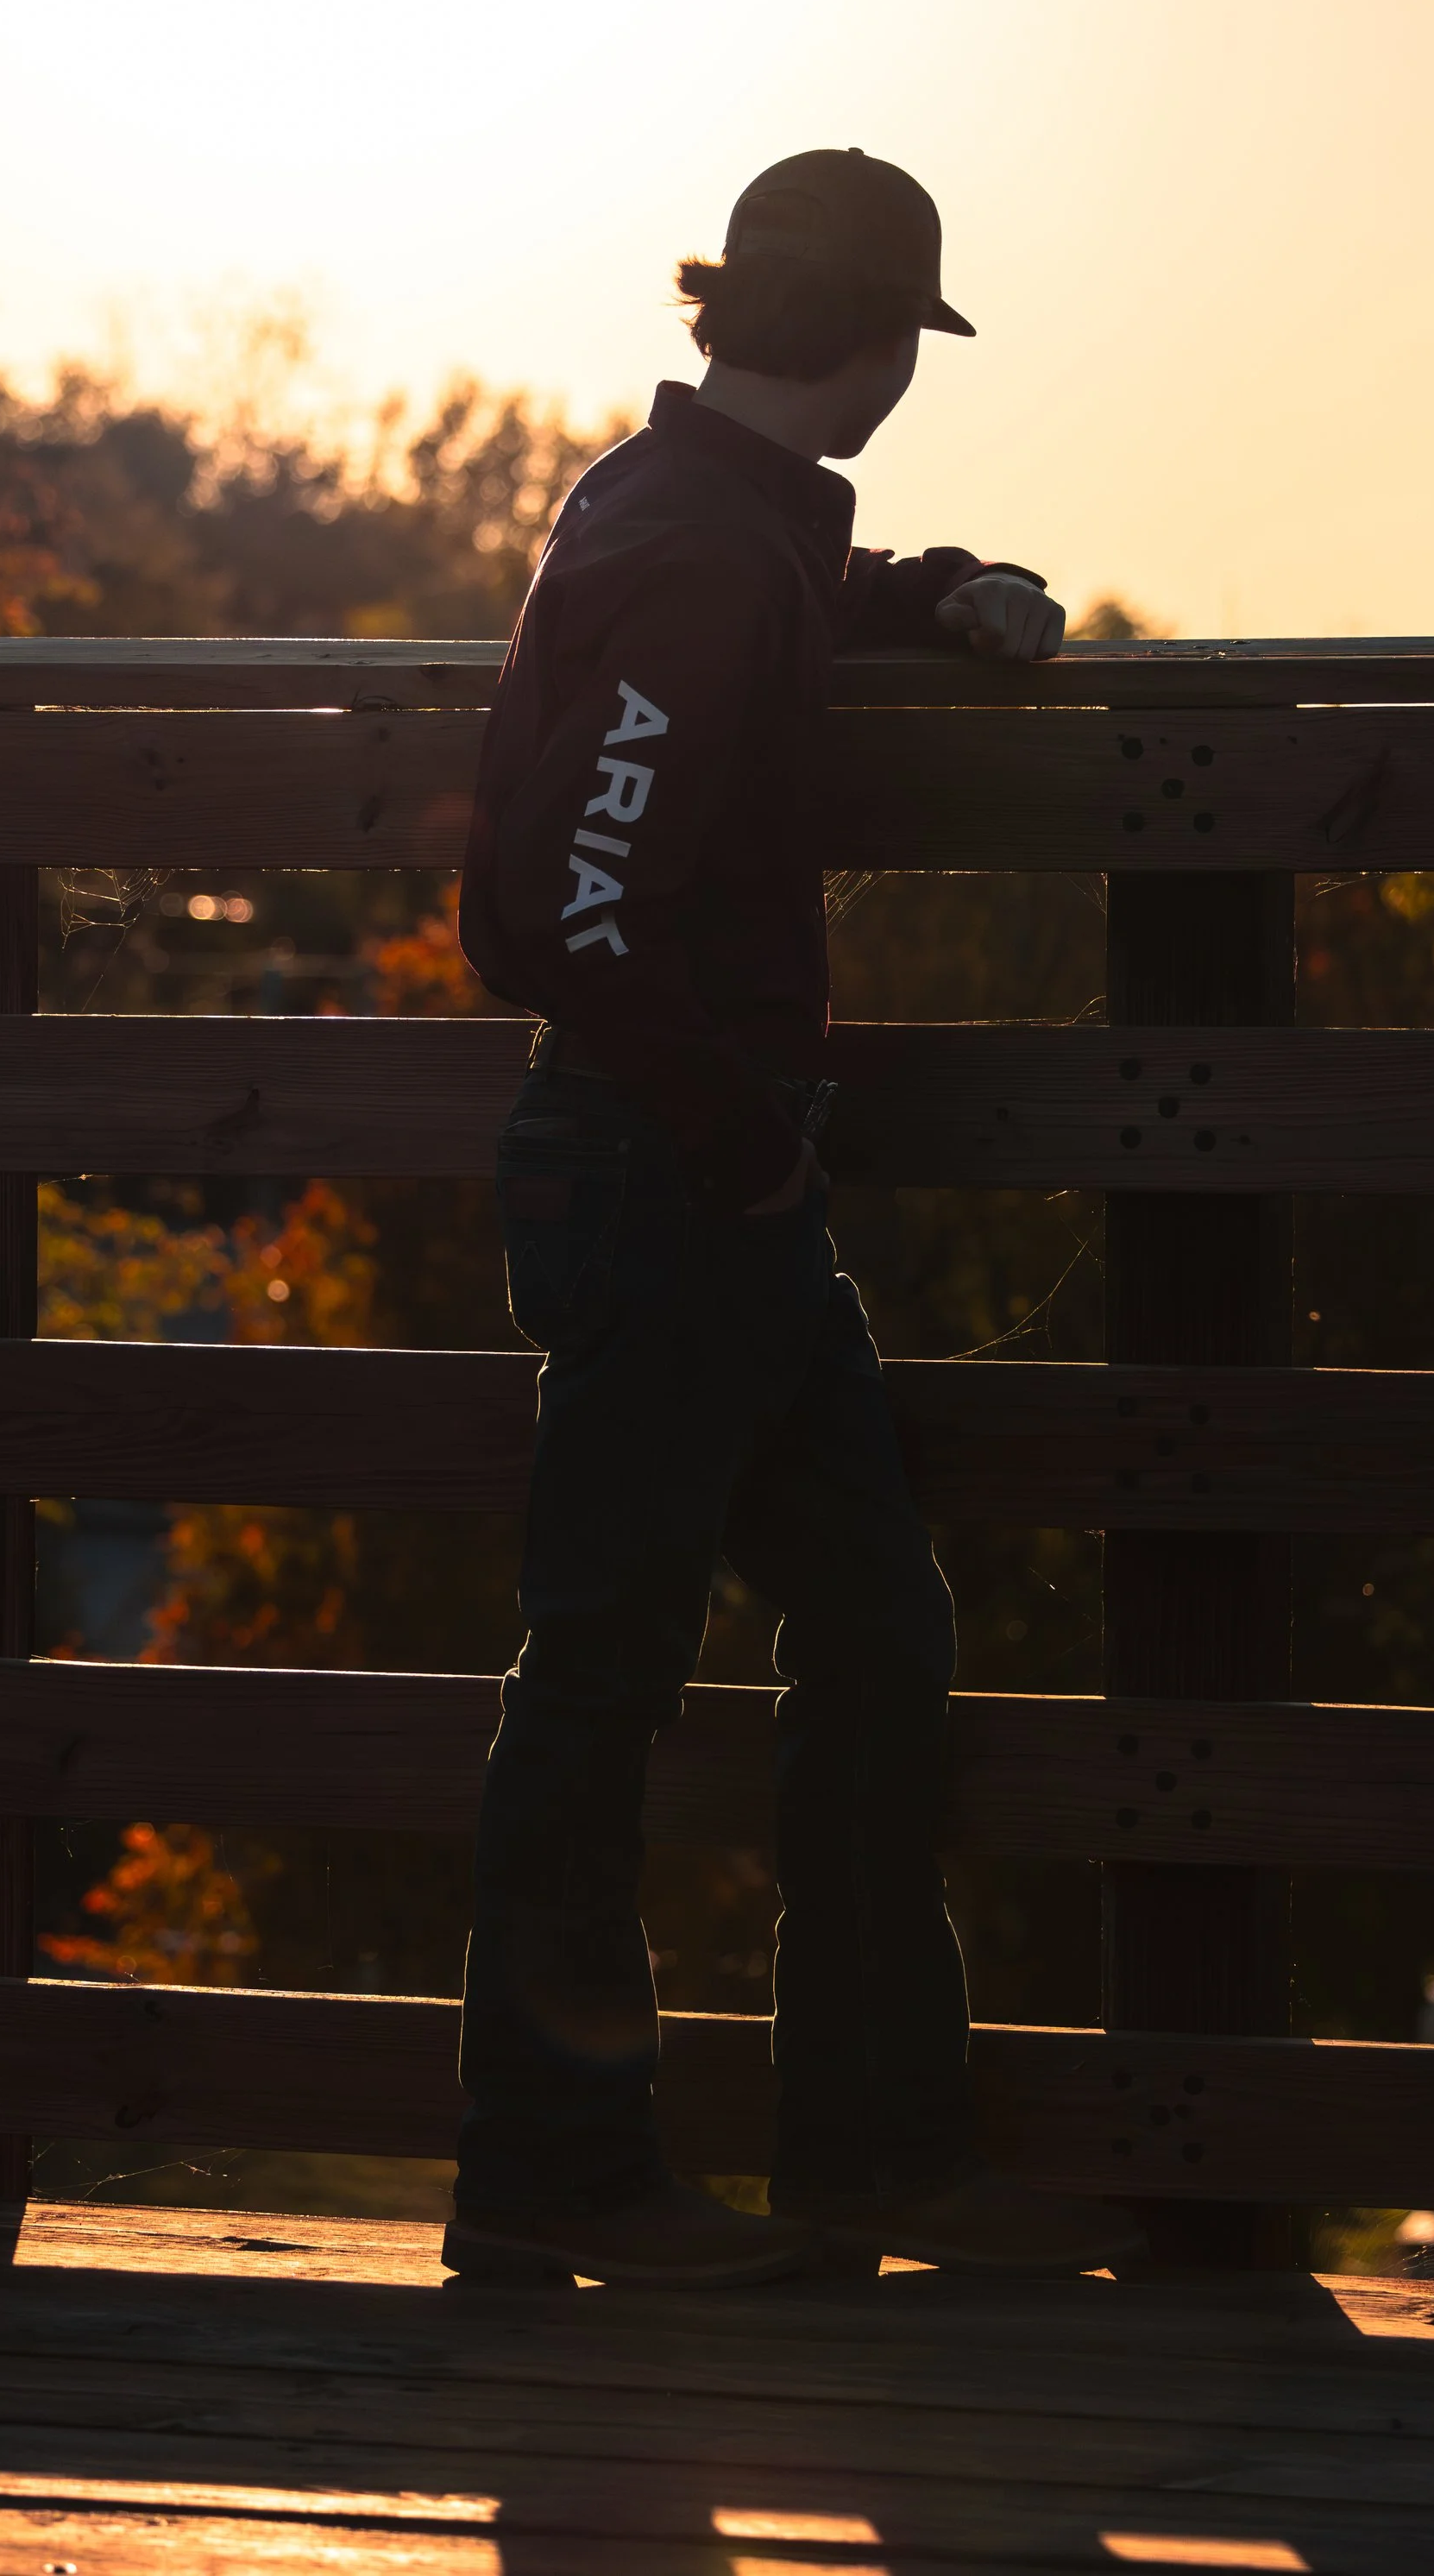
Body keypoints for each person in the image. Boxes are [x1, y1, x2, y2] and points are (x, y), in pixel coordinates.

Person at [446, 148, 1142, 2289]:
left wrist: (932, 584)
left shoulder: (690, 516)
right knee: (610, 1670)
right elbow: (558, 908)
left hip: (693, 1174)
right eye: (900, 349)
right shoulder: (688, 557)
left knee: (867, 1631)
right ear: (860, 344)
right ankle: (563, 2178)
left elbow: (761, 629)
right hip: (678, 1176)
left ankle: (866, 2153)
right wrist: (737, 1132)